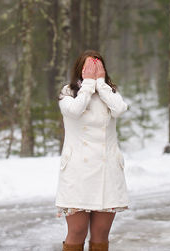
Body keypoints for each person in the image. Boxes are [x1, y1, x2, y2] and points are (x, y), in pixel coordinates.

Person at [56, 50, 129, 251]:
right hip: (78, 172)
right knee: (77, 231)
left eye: (97, 65)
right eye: (89, 66)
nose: (93, 70)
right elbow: (75, 110)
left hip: (107, 171)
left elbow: (120, 109)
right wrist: (88, 84)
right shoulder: (68, 93)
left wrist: (101, 85)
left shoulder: (109, 92)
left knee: (101, 233)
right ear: (80, 69)